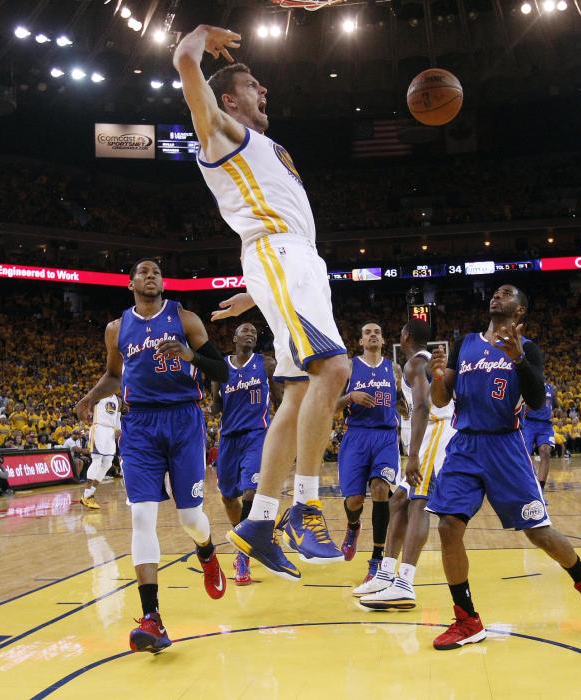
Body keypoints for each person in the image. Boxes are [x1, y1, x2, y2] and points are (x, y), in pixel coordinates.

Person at [174, 26, 351, 580]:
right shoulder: (220, 132)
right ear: (227, 100)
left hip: (289, 263)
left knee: (299, 391)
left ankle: (259, 523)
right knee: (337, 368)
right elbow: (183, 59)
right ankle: (306, 508)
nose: (264, 91)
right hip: (280, 255)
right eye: (253, 85)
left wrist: (258, 291)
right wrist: (200, 36)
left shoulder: (268, 146)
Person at [426, 284, 581, 651]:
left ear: (520, 311)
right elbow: (442, 398)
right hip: (464, 444)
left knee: (538, 533)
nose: (497, 296)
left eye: (506, 294)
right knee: (448, 527)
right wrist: (436, 378)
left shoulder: (529, 350)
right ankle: (466, 619)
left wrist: (518, 360)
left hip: (506, 447)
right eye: (495, 293)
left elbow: (538, 398)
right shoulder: (465, 343)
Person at [75, 258, 231, 654]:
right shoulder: (116, 328)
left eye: (157, 272)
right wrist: (93, 396)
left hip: (184, 421)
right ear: (130, 284)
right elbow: (114, 375)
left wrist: (189, 355)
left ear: (163, 282)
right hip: (141, 425)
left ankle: (207, 553)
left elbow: (222, 372)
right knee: (141, 515)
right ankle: (152, 617)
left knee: (189, 518)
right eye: (143, 273)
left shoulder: (186, 318)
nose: (151, 276)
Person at [357, 320, 456, 610]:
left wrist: (412, 456)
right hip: (429, 434)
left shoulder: (414, 363)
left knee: (418, 502)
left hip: (436, 432)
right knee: (398, 500)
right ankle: (385, 574)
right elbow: (417, 405)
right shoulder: (417, 364)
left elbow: (425, 407)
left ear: (406, 336)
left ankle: (404, 583)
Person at [209, 322, 281, 585]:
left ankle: (242, 552)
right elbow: (216, 404)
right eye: (245, 330)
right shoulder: (221, 367)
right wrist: (206, 409)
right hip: (229, 438)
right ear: (235, 337)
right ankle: (245, 536)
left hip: (257, 434)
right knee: (229, 497)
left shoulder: (267, 364)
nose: (250, 333)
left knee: (250, 491)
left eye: (254, 332)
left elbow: (279, 400)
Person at [333, 322, 400, 586]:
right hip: (356, 435)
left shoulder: (393, 369)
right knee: (355, 501)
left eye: (377, 332)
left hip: (385, 436)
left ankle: (377, 559)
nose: (373, 334)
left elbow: (404, 400)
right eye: (368, 332)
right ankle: (352, 527)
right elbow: (330, 406)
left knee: (381, 489)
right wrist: (351, 397)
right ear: (360, 342)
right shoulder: (349, 367)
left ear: (383, 340)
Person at [80, 395, 121, 510]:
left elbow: (117, 417)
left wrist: (118, 429)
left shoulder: (118, 400)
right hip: (99, 428)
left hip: (110, 431)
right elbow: (85, 404)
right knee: (97, 461)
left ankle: (89, 494)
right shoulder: (99, 394)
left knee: (108, 463)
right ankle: (87, 494)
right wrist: (86, 418)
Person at [521, 382, 557, 489]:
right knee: (525, 456)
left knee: (545, 452)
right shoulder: (527, 385)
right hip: (529, 424)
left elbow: (552, 404)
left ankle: (540, 490)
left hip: (545, 425)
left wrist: (551, 411)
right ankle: (526, 485)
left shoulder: (550, 387)